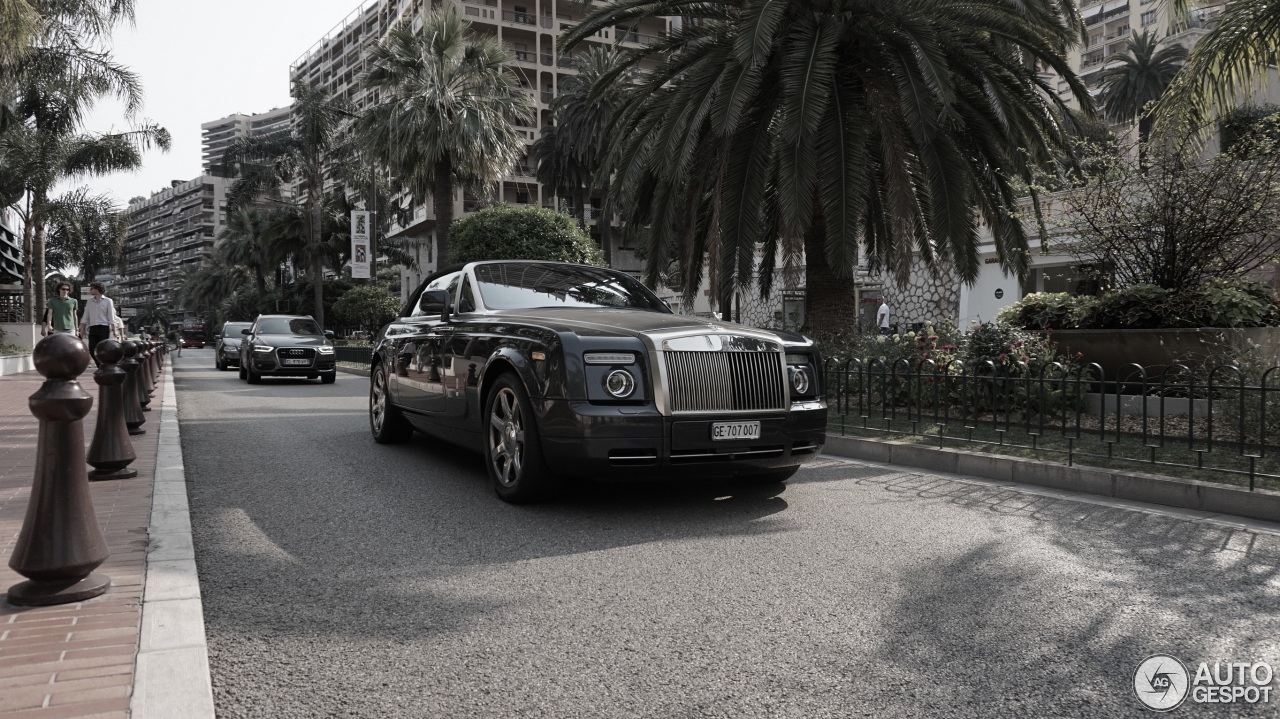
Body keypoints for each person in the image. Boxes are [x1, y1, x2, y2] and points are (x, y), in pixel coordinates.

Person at [80, 282, 116, 366]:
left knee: (103, 349)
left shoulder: (108, 301)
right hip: (93, 328)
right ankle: (100, 365)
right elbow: (85, 316)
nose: (90, 290)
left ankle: (104, 365)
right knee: (92, 349)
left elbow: (111, 317)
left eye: (92, 288)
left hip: (104, 328)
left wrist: (114, 330)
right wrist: (82, 328)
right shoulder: (89, 301)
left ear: (97, 289)